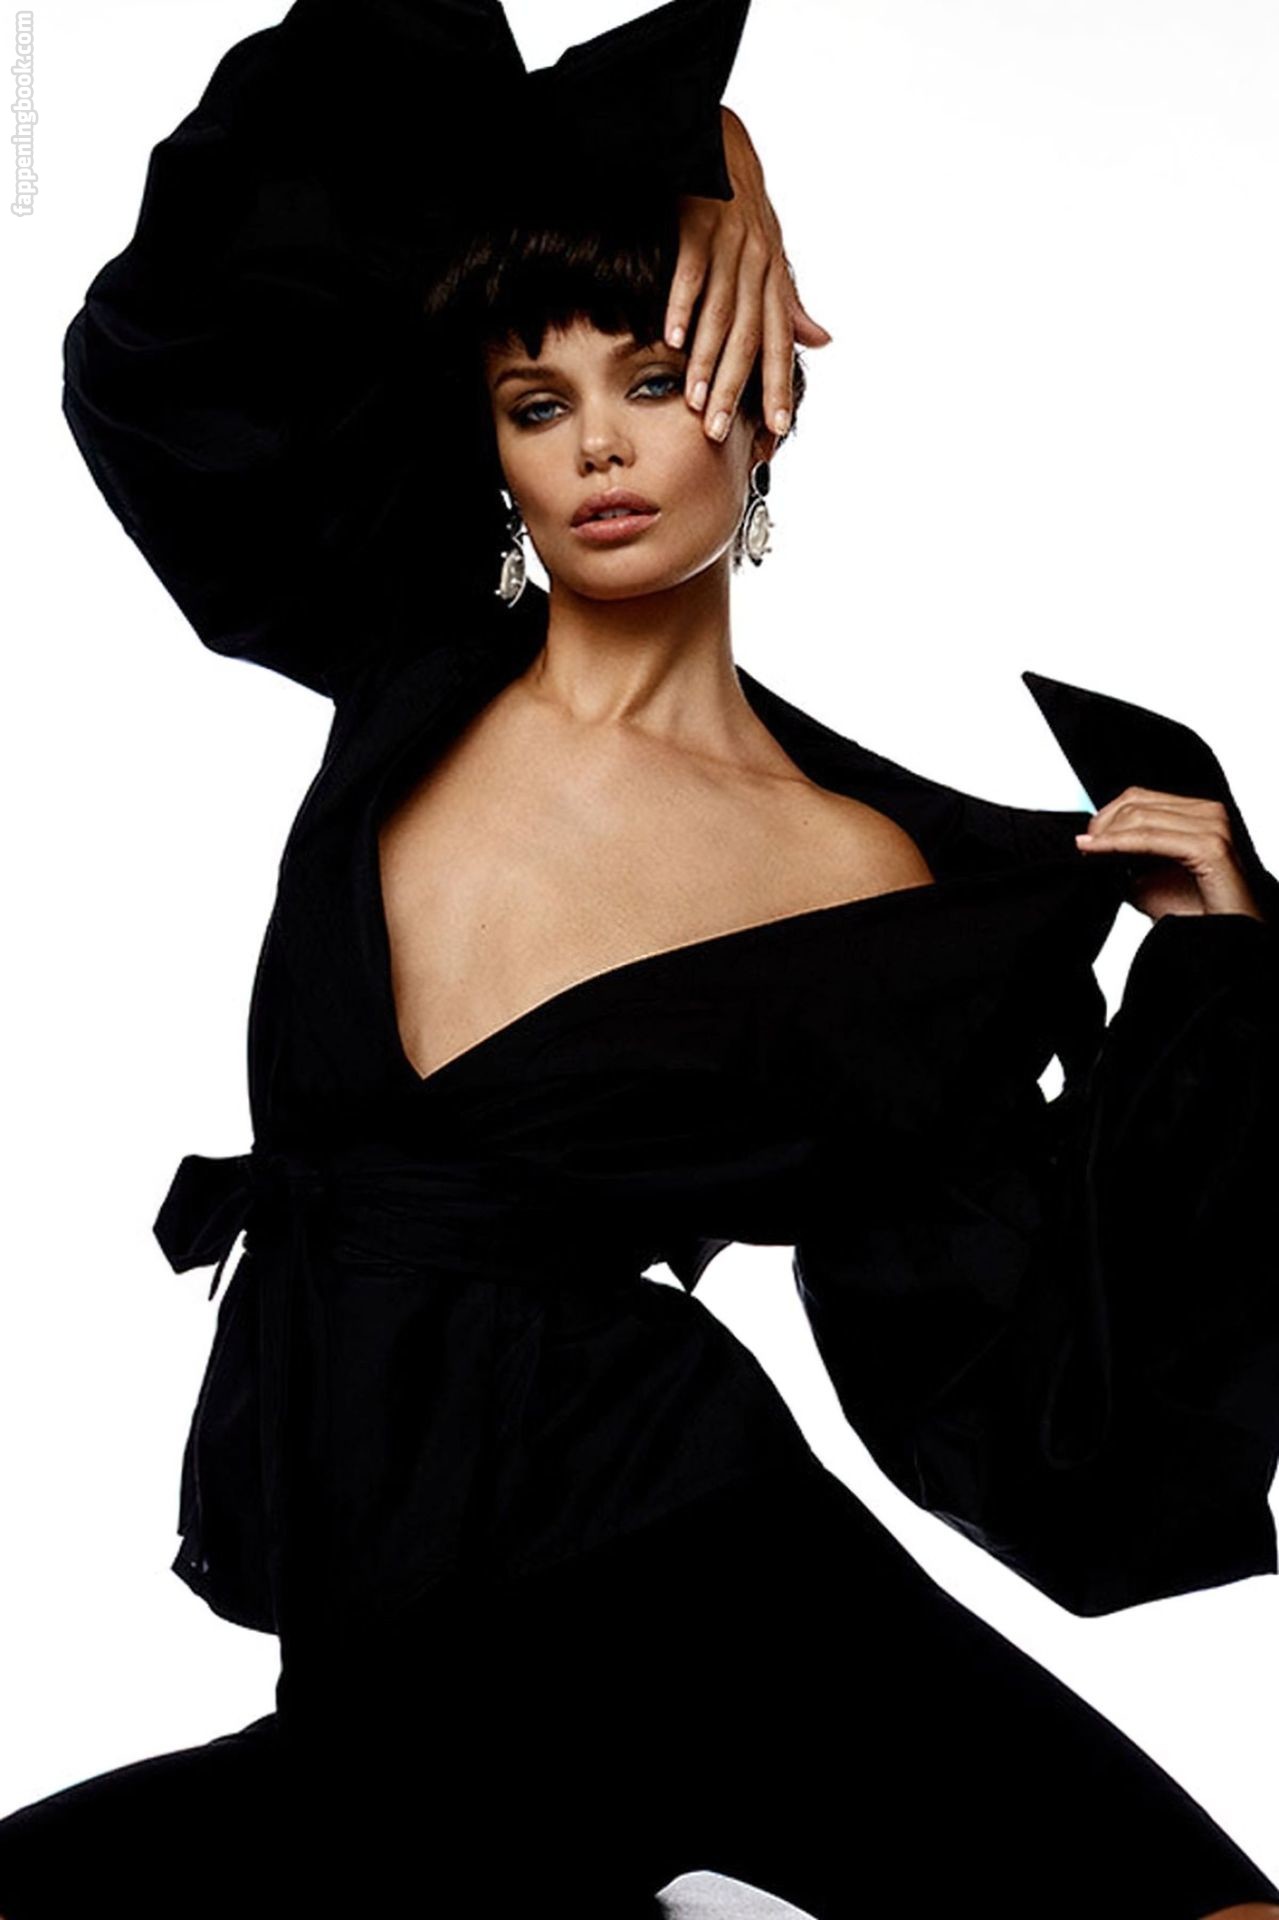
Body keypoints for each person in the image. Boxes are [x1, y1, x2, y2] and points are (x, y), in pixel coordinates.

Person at [2, 1, 1278, 1915]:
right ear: (494, 450)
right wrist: (712, 153)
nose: (600, 443)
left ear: (760, 397)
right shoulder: (411, 653)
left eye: (660, 377)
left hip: (696, 1570)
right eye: (539, 403)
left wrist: (1228, 987)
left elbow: (1032, 1380)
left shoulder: (863, 878)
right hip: (400, 1628)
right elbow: (185, 329)